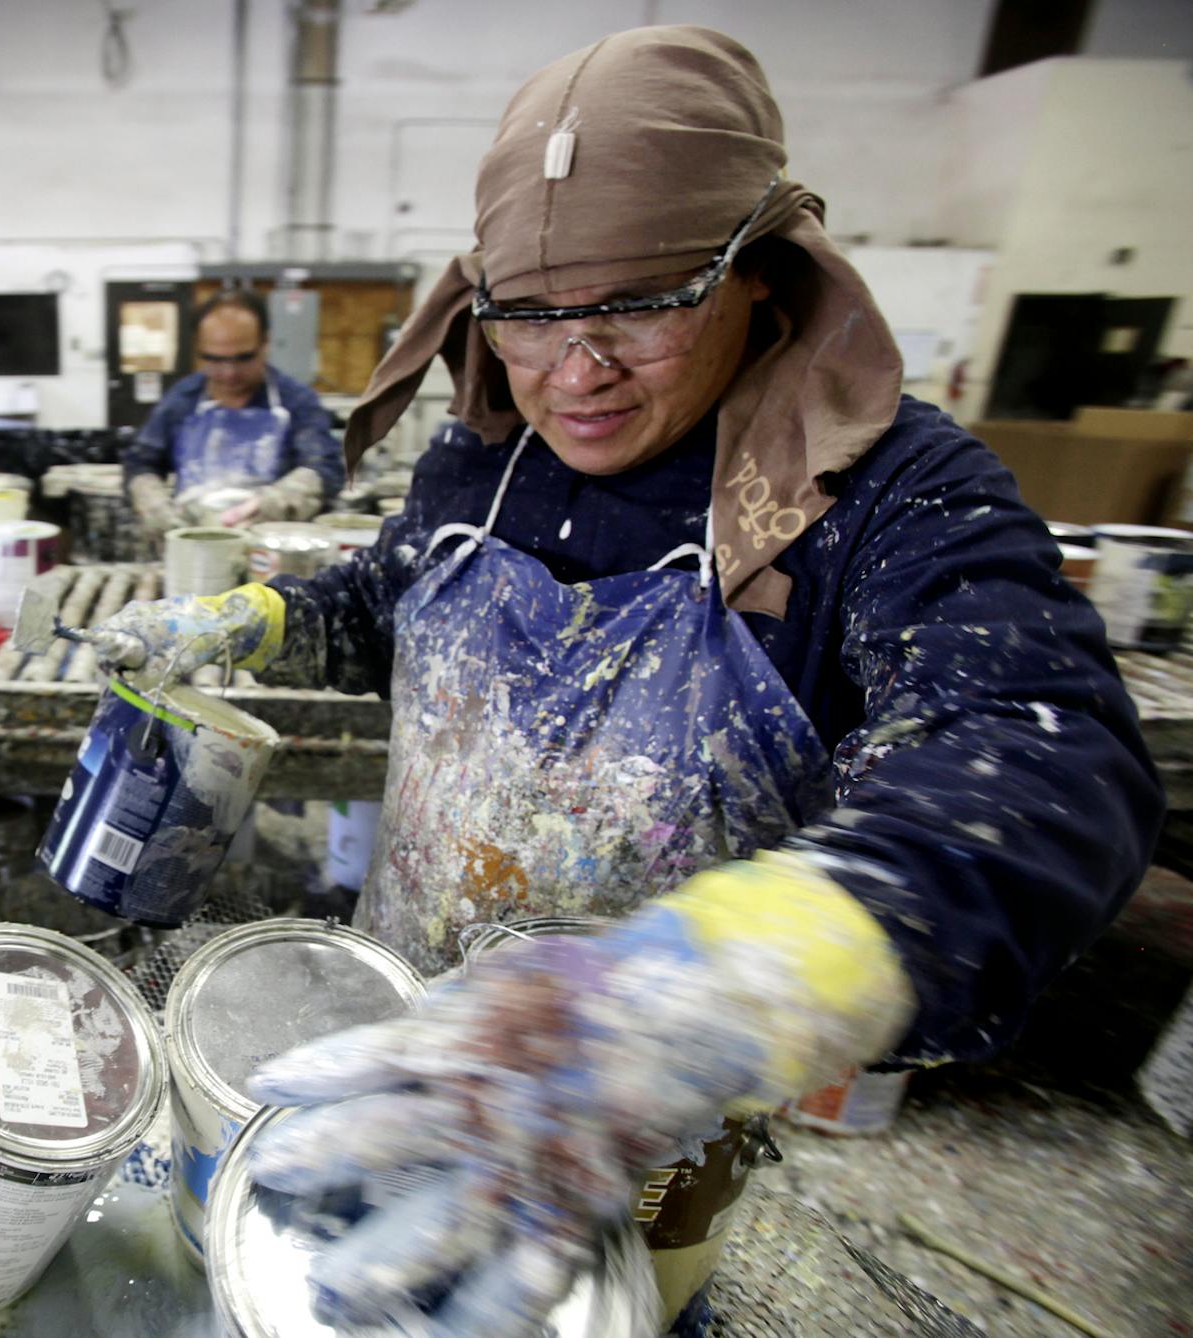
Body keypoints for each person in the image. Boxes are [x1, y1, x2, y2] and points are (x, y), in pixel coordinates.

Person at [89, 25, 1160, 1334]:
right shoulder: (478, 460)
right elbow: (385, 606)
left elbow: (1048, 749)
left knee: (624, 1307)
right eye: (528, 313)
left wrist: (713, 991)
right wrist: (260, 617)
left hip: (656, 1124)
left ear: (759, 275)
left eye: (641, 304)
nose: (574, 369)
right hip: (415, 1052)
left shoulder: (884, 496)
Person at [121, 289, 344, 538]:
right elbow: (140, 462)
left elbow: (325, 466)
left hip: (270, 547)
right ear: (199, 348)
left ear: (265, 344)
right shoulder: (182, 401)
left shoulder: (295, 401)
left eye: (243, 358)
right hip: (195, 539)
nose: (229, 373)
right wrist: (154, 504)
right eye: (214, 359)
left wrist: (275, 504)